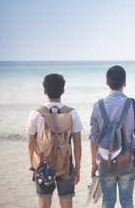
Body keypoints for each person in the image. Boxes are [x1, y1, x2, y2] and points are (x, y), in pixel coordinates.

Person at [89, 65, 135, 208]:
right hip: (127, 161)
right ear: (125, 83)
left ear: (107, 83)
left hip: (105, 161)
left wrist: (93, 163)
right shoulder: (134, 104)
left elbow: (93, 139)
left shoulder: (98, 106)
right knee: (127, 202)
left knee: (108, 203)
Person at [26, 73, 83, 208]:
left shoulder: (35, 114)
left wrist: (34, 167)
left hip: (42, 164)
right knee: (66, 202)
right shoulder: (72, 113)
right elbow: (77, 144)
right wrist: (78, 168)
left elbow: (30, 144)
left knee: (44, 203)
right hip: (66, 165)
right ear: (63, 91)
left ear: (45, 91)